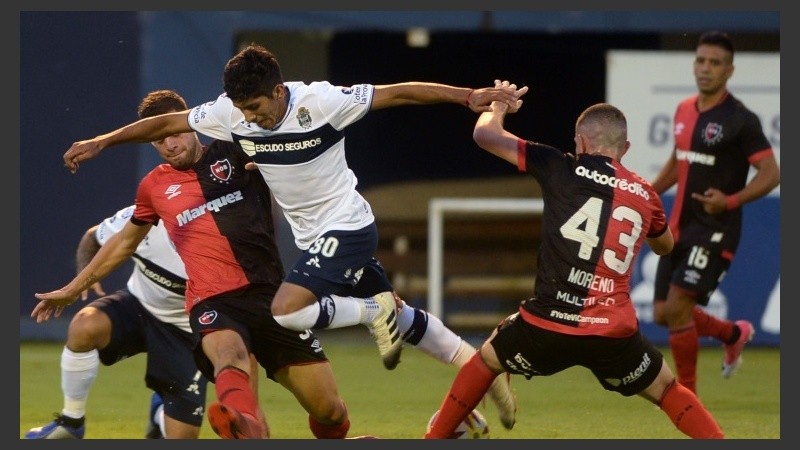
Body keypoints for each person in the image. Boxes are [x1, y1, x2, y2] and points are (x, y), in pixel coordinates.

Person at [60, 43, 525, 429]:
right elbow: (166, 123)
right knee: (402, 319)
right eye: (242, 110)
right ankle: (482, 370)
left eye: (258, 109)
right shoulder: (230, 114)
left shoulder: (321, 102)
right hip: (313, 241)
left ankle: (370, 312)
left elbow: (401, 93)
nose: (251, 119)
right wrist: (103, 141)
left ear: (279, 91)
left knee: (285, 311)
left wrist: (469, 97)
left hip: (347, 225)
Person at [34, 90, 352, 439]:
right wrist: (72, 288)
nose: (169, 144)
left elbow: (298, 169)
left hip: (270, 298)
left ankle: (264, 422)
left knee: (330, 411)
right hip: (212, 303)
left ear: (190, 124)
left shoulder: (237, 150)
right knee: (230, 358)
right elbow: (123, 242)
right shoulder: (154, 187)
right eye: (158, 140)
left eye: (174, 132)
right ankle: (239, 419)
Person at [425, 92, 725, 439]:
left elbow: (484, 135)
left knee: (485, 361)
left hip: (548, 325)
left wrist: (499, 107)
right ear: (624, 148)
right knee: (669, 390)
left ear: (580, 140)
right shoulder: (645, 195)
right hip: (612, 335)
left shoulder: (558, 165)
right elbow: (665, 245)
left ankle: (434, 438)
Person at [650, 31, 780, 394]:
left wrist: (730, 201)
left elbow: (772, 173)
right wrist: (648, 190)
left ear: (729, 70)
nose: (705, 69)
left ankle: (687, 399)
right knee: (662, 313)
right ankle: (733, 334)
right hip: (678, 226)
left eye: (715, 63)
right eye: (701, 61)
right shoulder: (683, 109)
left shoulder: (741, 119)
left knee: (677, 309)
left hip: (715, 228)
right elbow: (679, 161)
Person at [25, 205, 208, 439]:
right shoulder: (145, 216)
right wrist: (84, 276)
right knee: (84, 326)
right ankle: (71, 420)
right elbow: (92, 236)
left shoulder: (220, 238)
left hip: (186, 329)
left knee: (182, 436)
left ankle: (161, 412)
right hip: (139, 306)